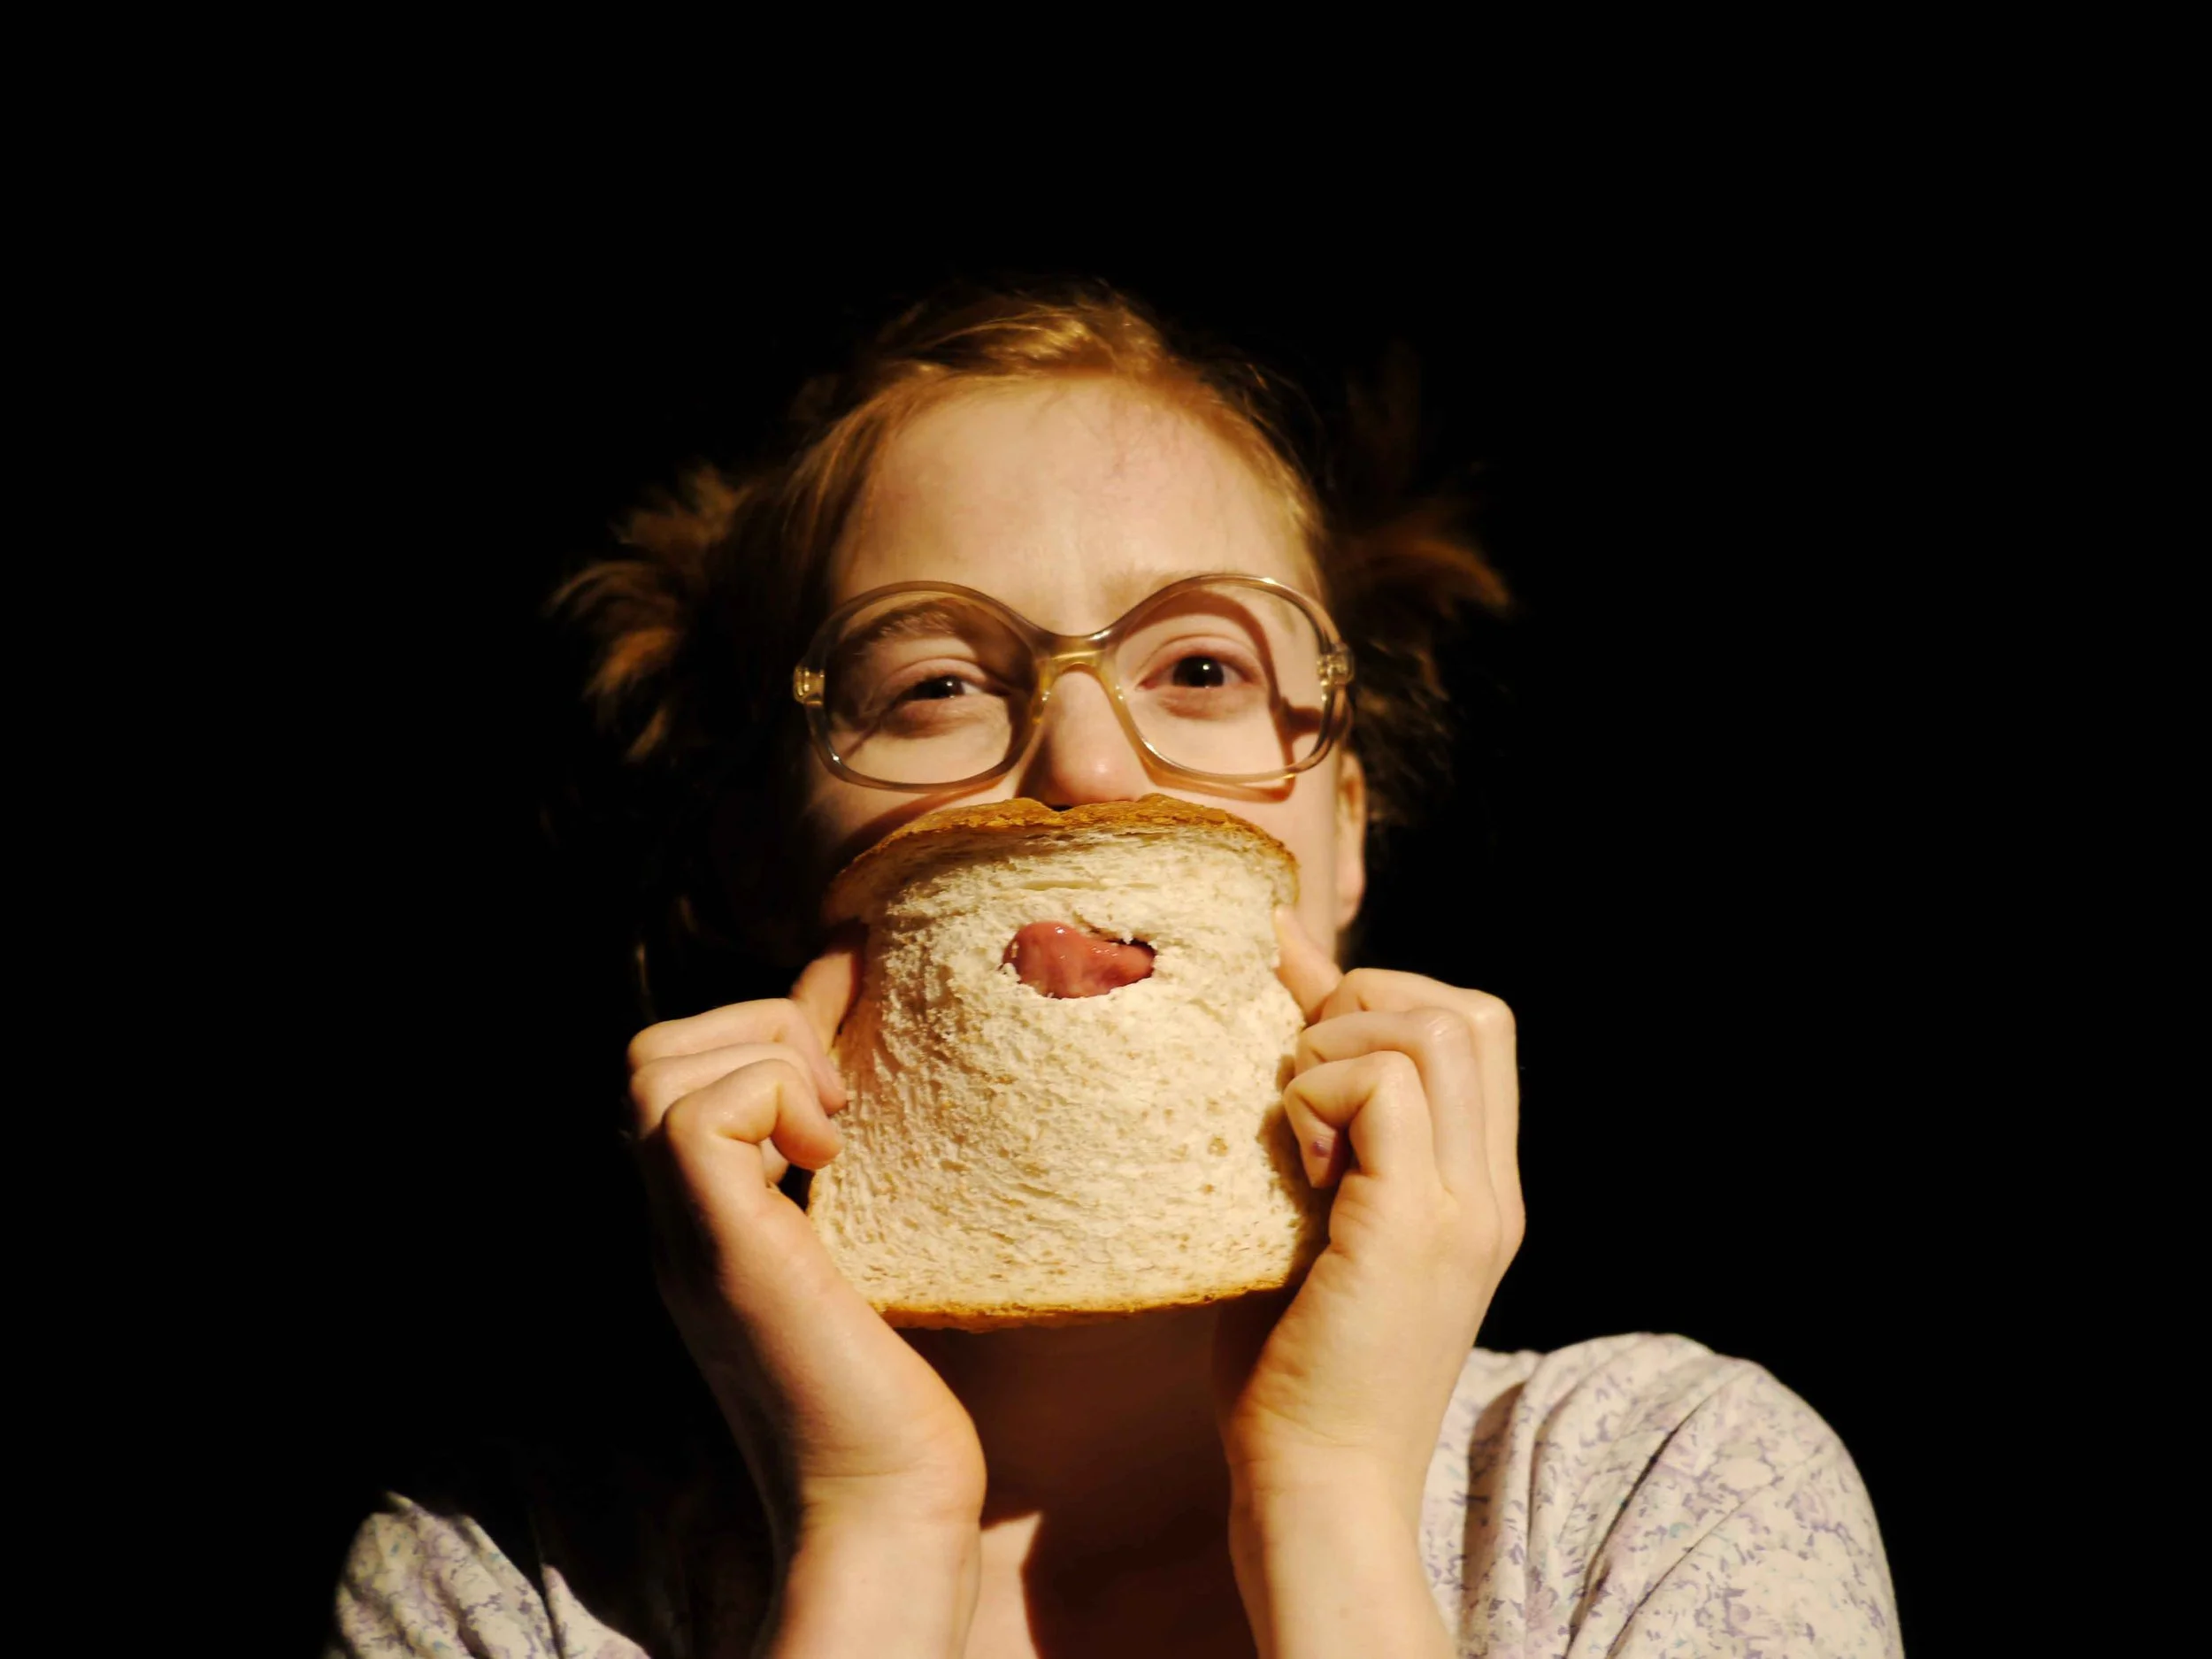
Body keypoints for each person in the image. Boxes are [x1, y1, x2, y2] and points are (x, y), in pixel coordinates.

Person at [328, 284, 1900, 1657]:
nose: (1085, 764)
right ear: (757, 851)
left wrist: (1330, 1495)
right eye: (935, 680)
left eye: (1202, 667)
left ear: (1341, 829)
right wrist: (875, 1530)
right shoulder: (498, 1584)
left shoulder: (1665, 1485)